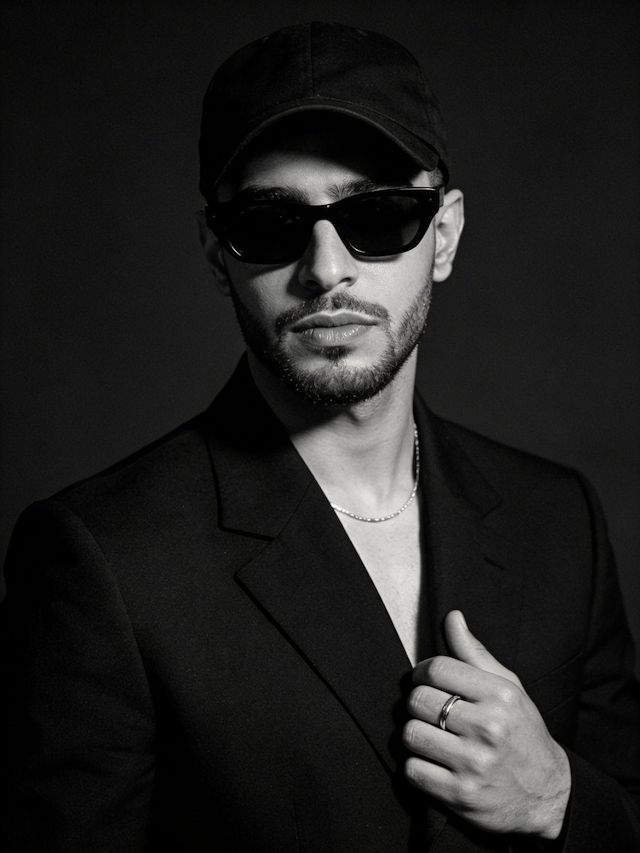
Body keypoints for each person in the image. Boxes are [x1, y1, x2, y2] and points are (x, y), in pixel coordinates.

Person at [1, 21, 638, 852]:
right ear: (216, 252)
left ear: (444, 235)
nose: (327, 269)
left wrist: (558, 797)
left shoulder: (559, 520)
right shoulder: (102, 562)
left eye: (379, 214)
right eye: (270, 223)